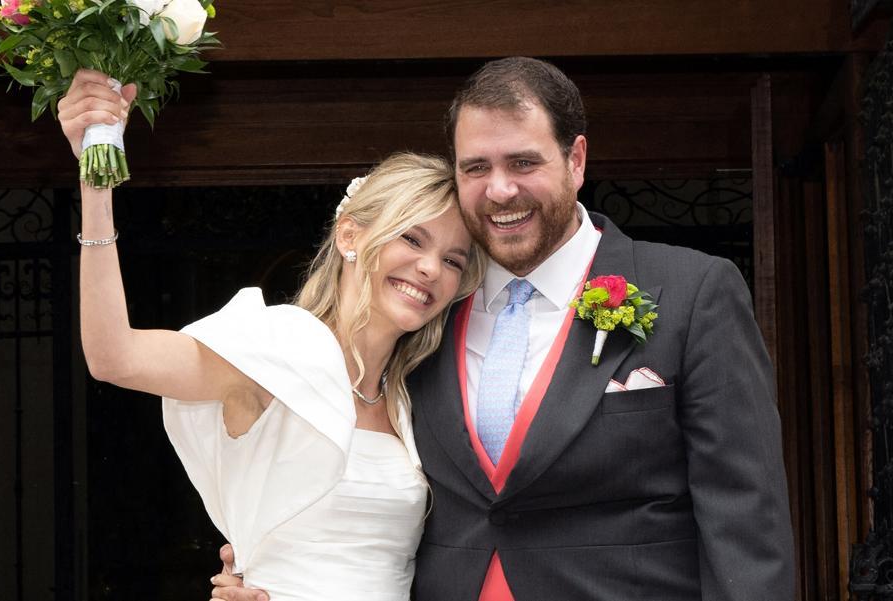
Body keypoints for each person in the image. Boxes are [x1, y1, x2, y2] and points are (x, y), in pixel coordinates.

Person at [211, 57, 794, 601]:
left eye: (523, 163)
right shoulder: (422, 308)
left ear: (576, 161)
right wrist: (270, 568)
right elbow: (335, 457)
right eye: (476, 168)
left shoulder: (693, 291)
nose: (499, 190)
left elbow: (745, 516)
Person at [58, 69, 487, 601]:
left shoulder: (415, 396)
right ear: (350, 233)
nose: (429, 268)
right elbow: (114, 357)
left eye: (451, 260)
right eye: (412, 238)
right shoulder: (276, 348)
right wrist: (94, 184)